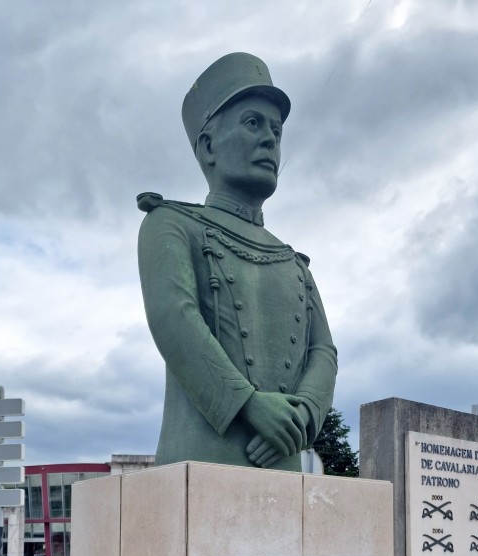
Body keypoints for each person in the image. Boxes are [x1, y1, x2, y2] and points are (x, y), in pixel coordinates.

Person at [137, 52, 337, 470]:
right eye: (253, 123)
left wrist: (301, 418)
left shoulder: (294, 263)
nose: (270, 139)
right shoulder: (171, 224)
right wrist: (249, 406)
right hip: (198, 468)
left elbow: (323, 351)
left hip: (282, 465)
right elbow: (175, 318)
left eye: (277, 131)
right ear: (208, 146)